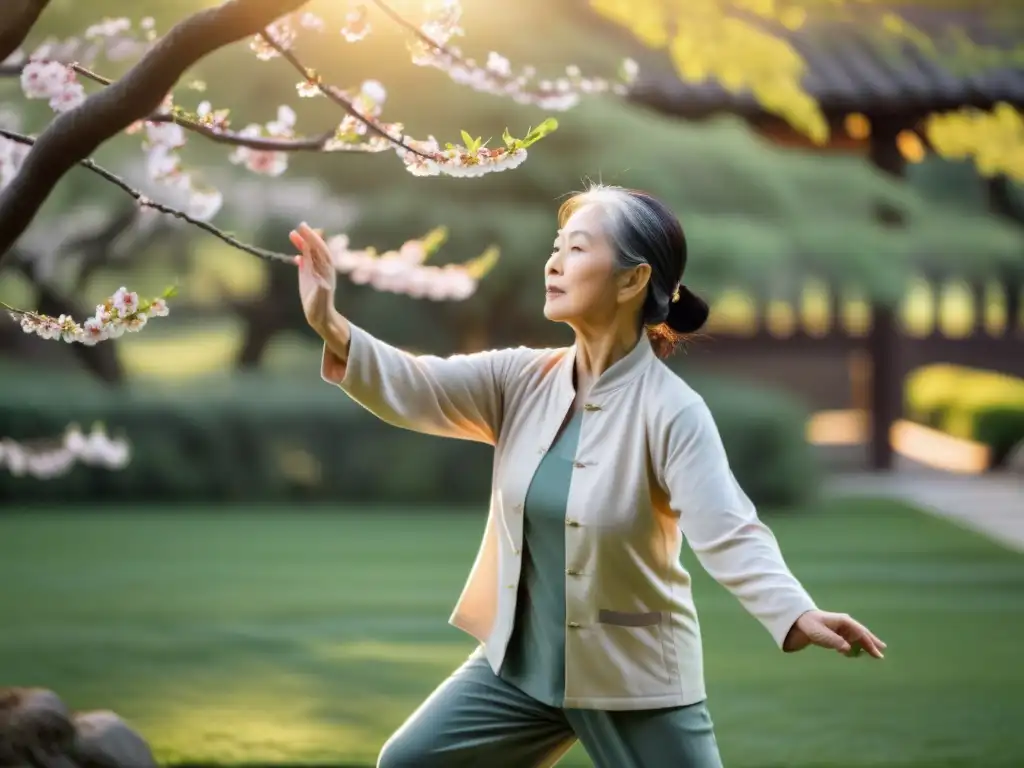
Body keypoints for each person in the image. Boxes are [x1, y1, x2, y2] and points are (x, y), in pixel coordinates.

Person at [291, 184, 886, 768]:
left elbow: (728, 529)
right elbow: (415, 385)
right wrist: (330, 323)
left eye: (577, 248)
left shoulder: (672, 411)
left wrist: (795, 611)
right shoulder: (519, 379)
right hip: (522, 671)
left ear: (632, 280)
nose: (554, 261)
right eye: (556, 246)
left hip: (632, 675)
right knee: (411, 762)